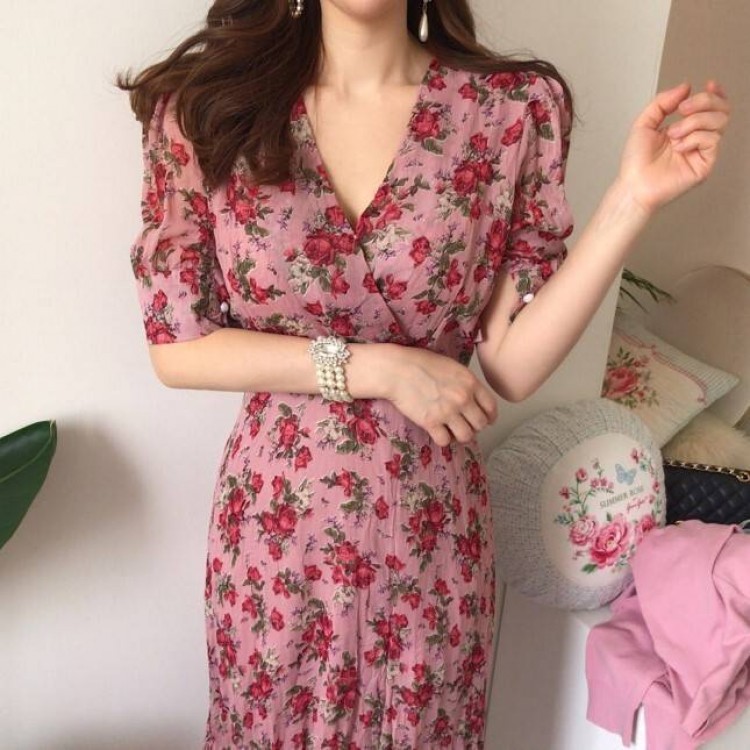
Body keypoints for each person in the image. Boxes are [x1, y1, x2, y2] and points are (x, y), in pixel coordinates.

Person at [115, 1, 731, 747]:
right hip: (279, 538)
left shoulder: (510, 110)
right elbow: (178, 346)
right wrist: (378, 368)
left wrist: (631, 200)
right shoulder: (207, 110)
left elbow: (511, 365)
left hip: (430, 536)